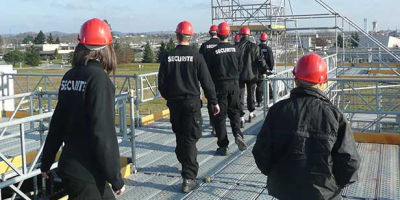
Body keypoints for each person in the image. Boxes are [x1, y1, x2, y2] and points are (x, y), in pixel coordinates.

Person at [252, 53, 361, 200]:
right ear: (323, 82)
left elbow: (261, 153)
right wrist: (333, 186)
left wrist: (276, 176)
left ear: (295, 79)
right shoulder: (335, 116)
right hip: (324, 195)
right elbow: (350, 162)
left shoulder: (277, 111)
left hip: (284, 191)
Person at [40, 18, 125, 200]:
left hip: (72, 166)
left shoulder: (70, 76)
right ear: (107, 49)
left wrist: (46, 160)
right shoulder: (99, 79)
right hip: (87, 171)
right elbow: (103, 133)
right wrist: (116, 178)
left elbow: (57, 123)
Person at [158, 21, 220, 193]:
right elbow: (207, 82)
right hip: (192, 103)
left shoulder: (168, 57)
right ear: (190, 37)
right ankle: (189, 178)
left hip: (175, 103)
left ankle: (184, 160)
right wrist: (213, 101)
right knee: (191, 138)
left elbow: (161, 84)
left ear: (176, 35)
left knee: (180, 134)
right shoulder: (196, 57)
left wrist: (171, 98)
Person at [207, 22, 246, 156]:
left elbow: (209, 71)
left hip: (220, 86)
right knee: (234, 112)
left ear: (217, 34)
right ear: (229, 34)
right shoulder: (236, 49)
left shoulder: (213, 51)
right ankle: (238, 134)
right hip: (235, 85)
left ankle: (223, 145)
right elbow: (240, 67)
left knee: (220, 117)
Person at [237, 27, 266, 126]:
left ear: (240, 35)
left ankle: (241, 117)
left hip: (239, 76)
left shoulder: (236, 47)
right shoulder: (255, 47)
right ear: (249, 35)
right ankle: (251, 113)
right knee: (251, 94)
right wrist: (264, 71)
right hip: (252, 75)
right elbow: (261, 61)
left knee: (240, 96)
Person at [199, 24, 220, 137]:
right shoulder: (221, 45)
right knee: (219, 101)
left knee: (210, 101)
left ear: (209, 33)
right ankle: (219, 124)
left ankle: (213, 123)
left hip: (207, 78)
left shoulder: (204, 46)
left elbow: (200, 62)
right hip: (220, 78)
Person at [256, 32, 274, 107]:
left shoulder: (256, 48)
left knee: (259, 85)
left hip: (257, 70)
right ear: (266, 40)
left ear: (260, 39)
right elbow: (271, 60)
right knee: (267, 82)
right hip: (265, 69)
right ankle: (270, 97)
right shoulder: (268, 49)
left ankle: (259, 100)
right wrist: (270, 68)